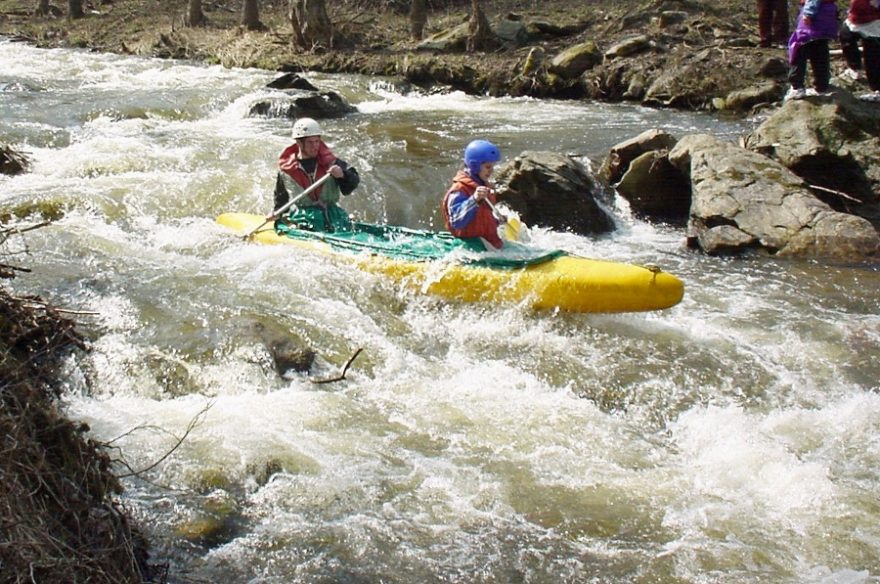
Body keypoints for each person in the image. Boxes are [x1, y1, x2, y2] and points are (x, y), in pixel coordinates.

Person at [272, 117, 360, 232]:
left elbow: (352, 184)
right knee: (306, 225)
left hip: (332, 214)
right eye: (310, 142)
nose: (315, 146)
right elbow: (281, 198)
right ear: (299, 143)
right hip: (303, 217)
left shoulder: (332, 162)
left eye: (317, 141)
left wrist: (342, 175)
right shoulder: (286, 170)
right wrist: (276, 213)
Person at [441, 139, 506, 250]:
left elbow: (482, 218)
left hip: (488, 243)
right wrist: (474, 200)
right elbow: (456, 221)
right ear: (475, 166)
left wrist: (497, 221)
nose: (491, 171)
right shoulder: (458, 190)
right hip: (471, 246)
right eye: (488, 167)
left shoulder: (484, 187)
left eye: (492, 167)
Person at [786, 0, 840, 100]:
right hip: (827, 16)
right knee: (820, 50)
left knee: (798, 49)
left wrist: (808, 13)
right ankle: (822, 86)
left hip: (814, 18)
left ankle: (797, 87)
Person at [839, 0, 880, 100]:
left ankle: (877, 90)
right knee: (846, 37)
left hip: (874, 21)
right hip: (855, 18)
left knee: (872, 56)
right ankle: (855, 68)